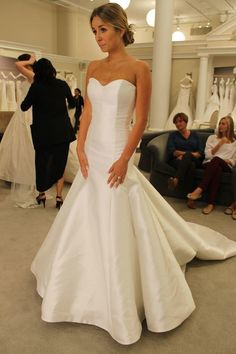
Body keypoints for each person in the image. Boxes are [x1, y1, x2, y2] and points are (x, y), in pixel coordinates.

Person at [30, 3, 236, 345]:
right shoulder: (93, 67)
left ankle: (122, 291)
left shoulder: (140, 67)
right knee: (85, 210)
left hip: (117, 149)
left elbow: (139, 120)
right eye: (93, 31)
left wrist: (126, 157)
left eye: (103, 30)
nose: (97, 37)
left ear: (121, 28)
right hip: (93, 149)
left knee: (120, 213)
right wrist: (79, 147)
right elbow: (88, 113)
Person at [21, 58, 76, 209]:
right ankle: (59, 197)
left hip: (43, 133)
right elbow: (73, 103)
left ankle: (42, 194)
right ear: (52, 69)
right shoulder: (63, 84)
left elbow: (24, 107)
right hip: (62, 132)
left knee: (42, 163)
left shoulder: (36, 87)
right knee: (60, 163)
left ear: (37, 72)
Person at [0, 53, 37, 208]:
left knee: (26, 147)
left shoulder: (33, 76)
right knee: (17, 146)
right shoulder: (29, 76)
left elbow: (19, 66)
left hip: (28, 114)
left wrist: (30, 60)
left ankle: (28, 178)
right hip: (20, 114)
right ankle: (16, 175)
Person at [188, 116, 236, 214]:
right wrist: (219, 144)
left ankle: (199, 189)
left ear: (229, 126)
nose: (220, 126)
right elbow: (208, 155)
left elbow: (234, 160)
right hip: (209, 163)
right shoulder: (212, 138)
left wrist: (227, 161)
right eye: (220, 123)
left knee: (217, 160)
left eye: (223, 124)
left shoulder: (234, 143)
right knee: (217, 168)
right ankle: (210, 204)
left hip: (226, 165)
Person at [167, 112, 204, 208]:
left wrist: (185, 154)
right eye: (176, 122)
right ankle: (190, 199)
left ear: (186, 122)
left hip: (195, 160)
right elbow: (173, 152)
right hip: (177, 160)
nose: (178, 124)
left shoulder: (195, 135)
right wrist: (187, 155)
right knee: (190, 166)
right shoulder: (173, 135)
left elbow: (200, 153)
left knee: (188, 158)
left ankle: (176, 180)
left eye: (180, 121)